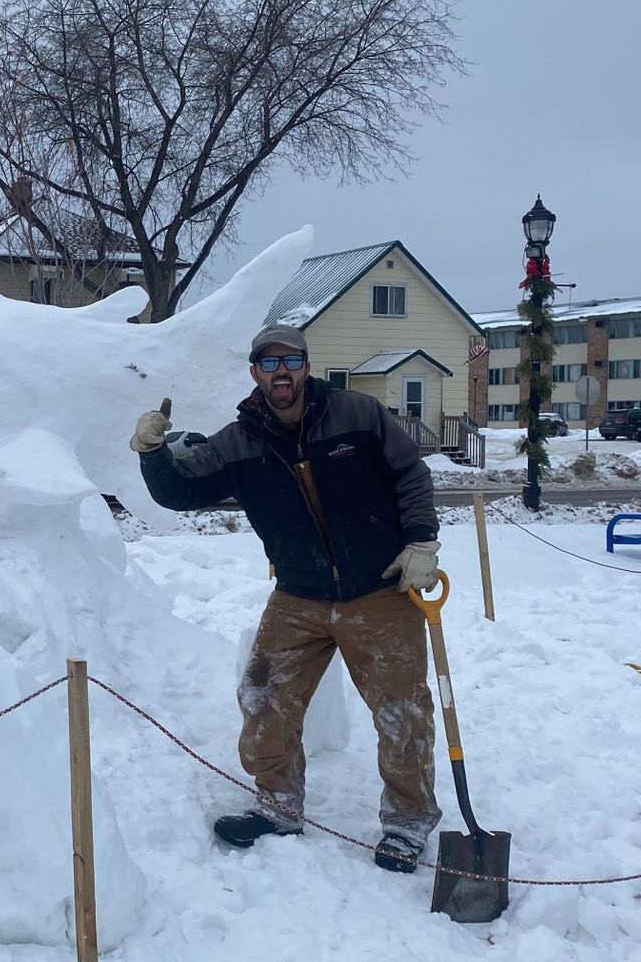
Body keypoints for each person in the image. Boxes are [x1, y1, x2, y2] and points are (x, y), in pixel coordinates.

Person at [131, 324, 443, 872]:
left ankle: (407, 822)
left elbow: (410, 476)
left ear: (306, 365)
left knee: (402, 712)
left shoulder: (359, 415)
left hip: (379, 591)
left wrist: (420, 541)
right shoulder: (239, 440)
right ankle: (278, 805)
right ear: (255, 372)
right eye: (269, 364)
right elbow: (180, 492)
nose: (282, 373)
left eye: (291, 361)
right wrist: (153, 453)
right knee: (264, 698)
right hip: (298, 593)